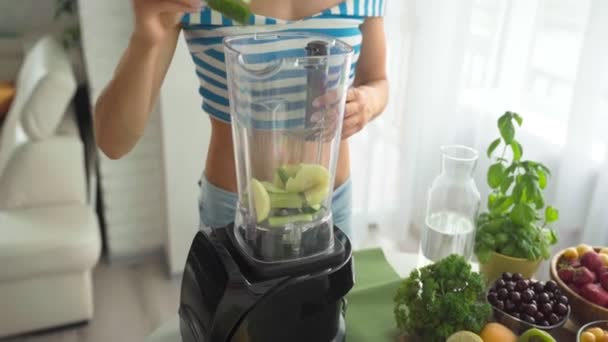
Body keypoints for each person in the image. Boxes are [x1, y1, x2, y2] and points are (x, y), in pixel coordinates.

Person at [94, 0, 388, 238]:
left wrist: (368, 102)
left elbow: (377, 80)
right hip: (235, 211)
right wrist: (145, 40)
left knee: (330, 311)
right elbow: (112, 142)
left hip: (330, 204)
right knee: (235, 314)